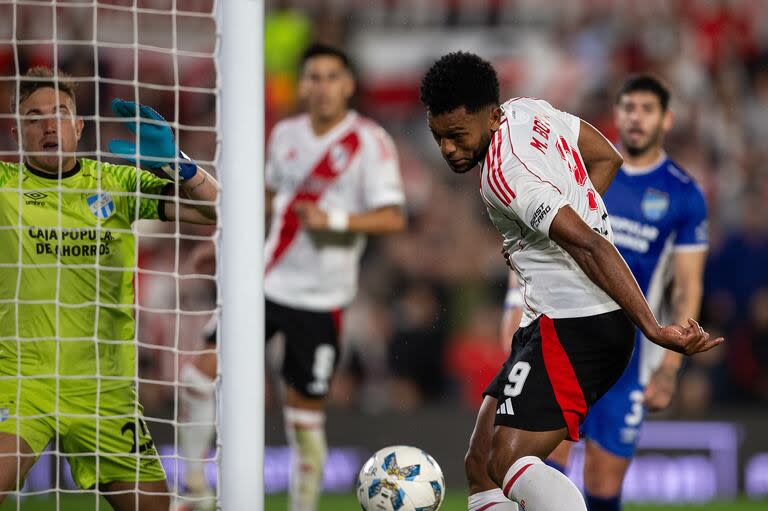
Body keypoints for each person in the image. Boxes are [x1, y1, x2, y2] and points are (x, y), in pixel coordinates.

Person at [419, 51, 722, 511]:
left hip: (579, 323)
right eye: (438, 137)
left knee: (507, 461)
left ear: (491, 116)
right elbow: (607, 156)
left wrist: (654, 330)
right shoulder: (529, 111)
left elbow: (591, 247)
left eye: (458, 136)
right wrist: (546, 233)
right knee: (479, 466)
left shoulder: (506, 175)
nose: (448, 149)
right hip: (550, 318)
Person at [177, 43, 406, 511]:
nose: (321, 87)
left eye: (331, 77)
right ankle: (196, 491)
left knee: (304, 423)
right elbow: (267, 198)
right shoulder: (285, 134)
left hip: (321, 300)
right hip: (263, 283)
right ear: (301, 85)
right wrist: (221, 240)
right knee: (198, 378)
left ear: (348, 85)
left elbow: (392, 217)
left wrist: (335, 221)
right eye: (313, 77)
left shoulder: (369, 142)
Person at [0, 67, 218, 511]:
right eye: (33, 116)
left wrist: (182, 165)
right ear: (17, 132)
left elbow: (215, 210)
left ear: (78, 127)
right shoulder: (5, 186)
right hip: (23, 381)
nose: (48, 125)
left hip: (105, 387)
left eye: (59, 113)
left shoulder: (115, 183)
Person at [542, 74, 710, 511]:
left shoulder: (683, 193)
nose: (636, 118)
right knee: (548, 463)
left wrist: (669, 369)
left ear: (666, 119)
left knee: (602, 479)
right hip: (569, 329)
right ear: (616, 114)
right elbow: (543, 237)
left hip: (633, 351)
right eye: (628, 108)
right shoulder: (584, 168)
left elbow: (688, 285)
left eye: (647, 109)